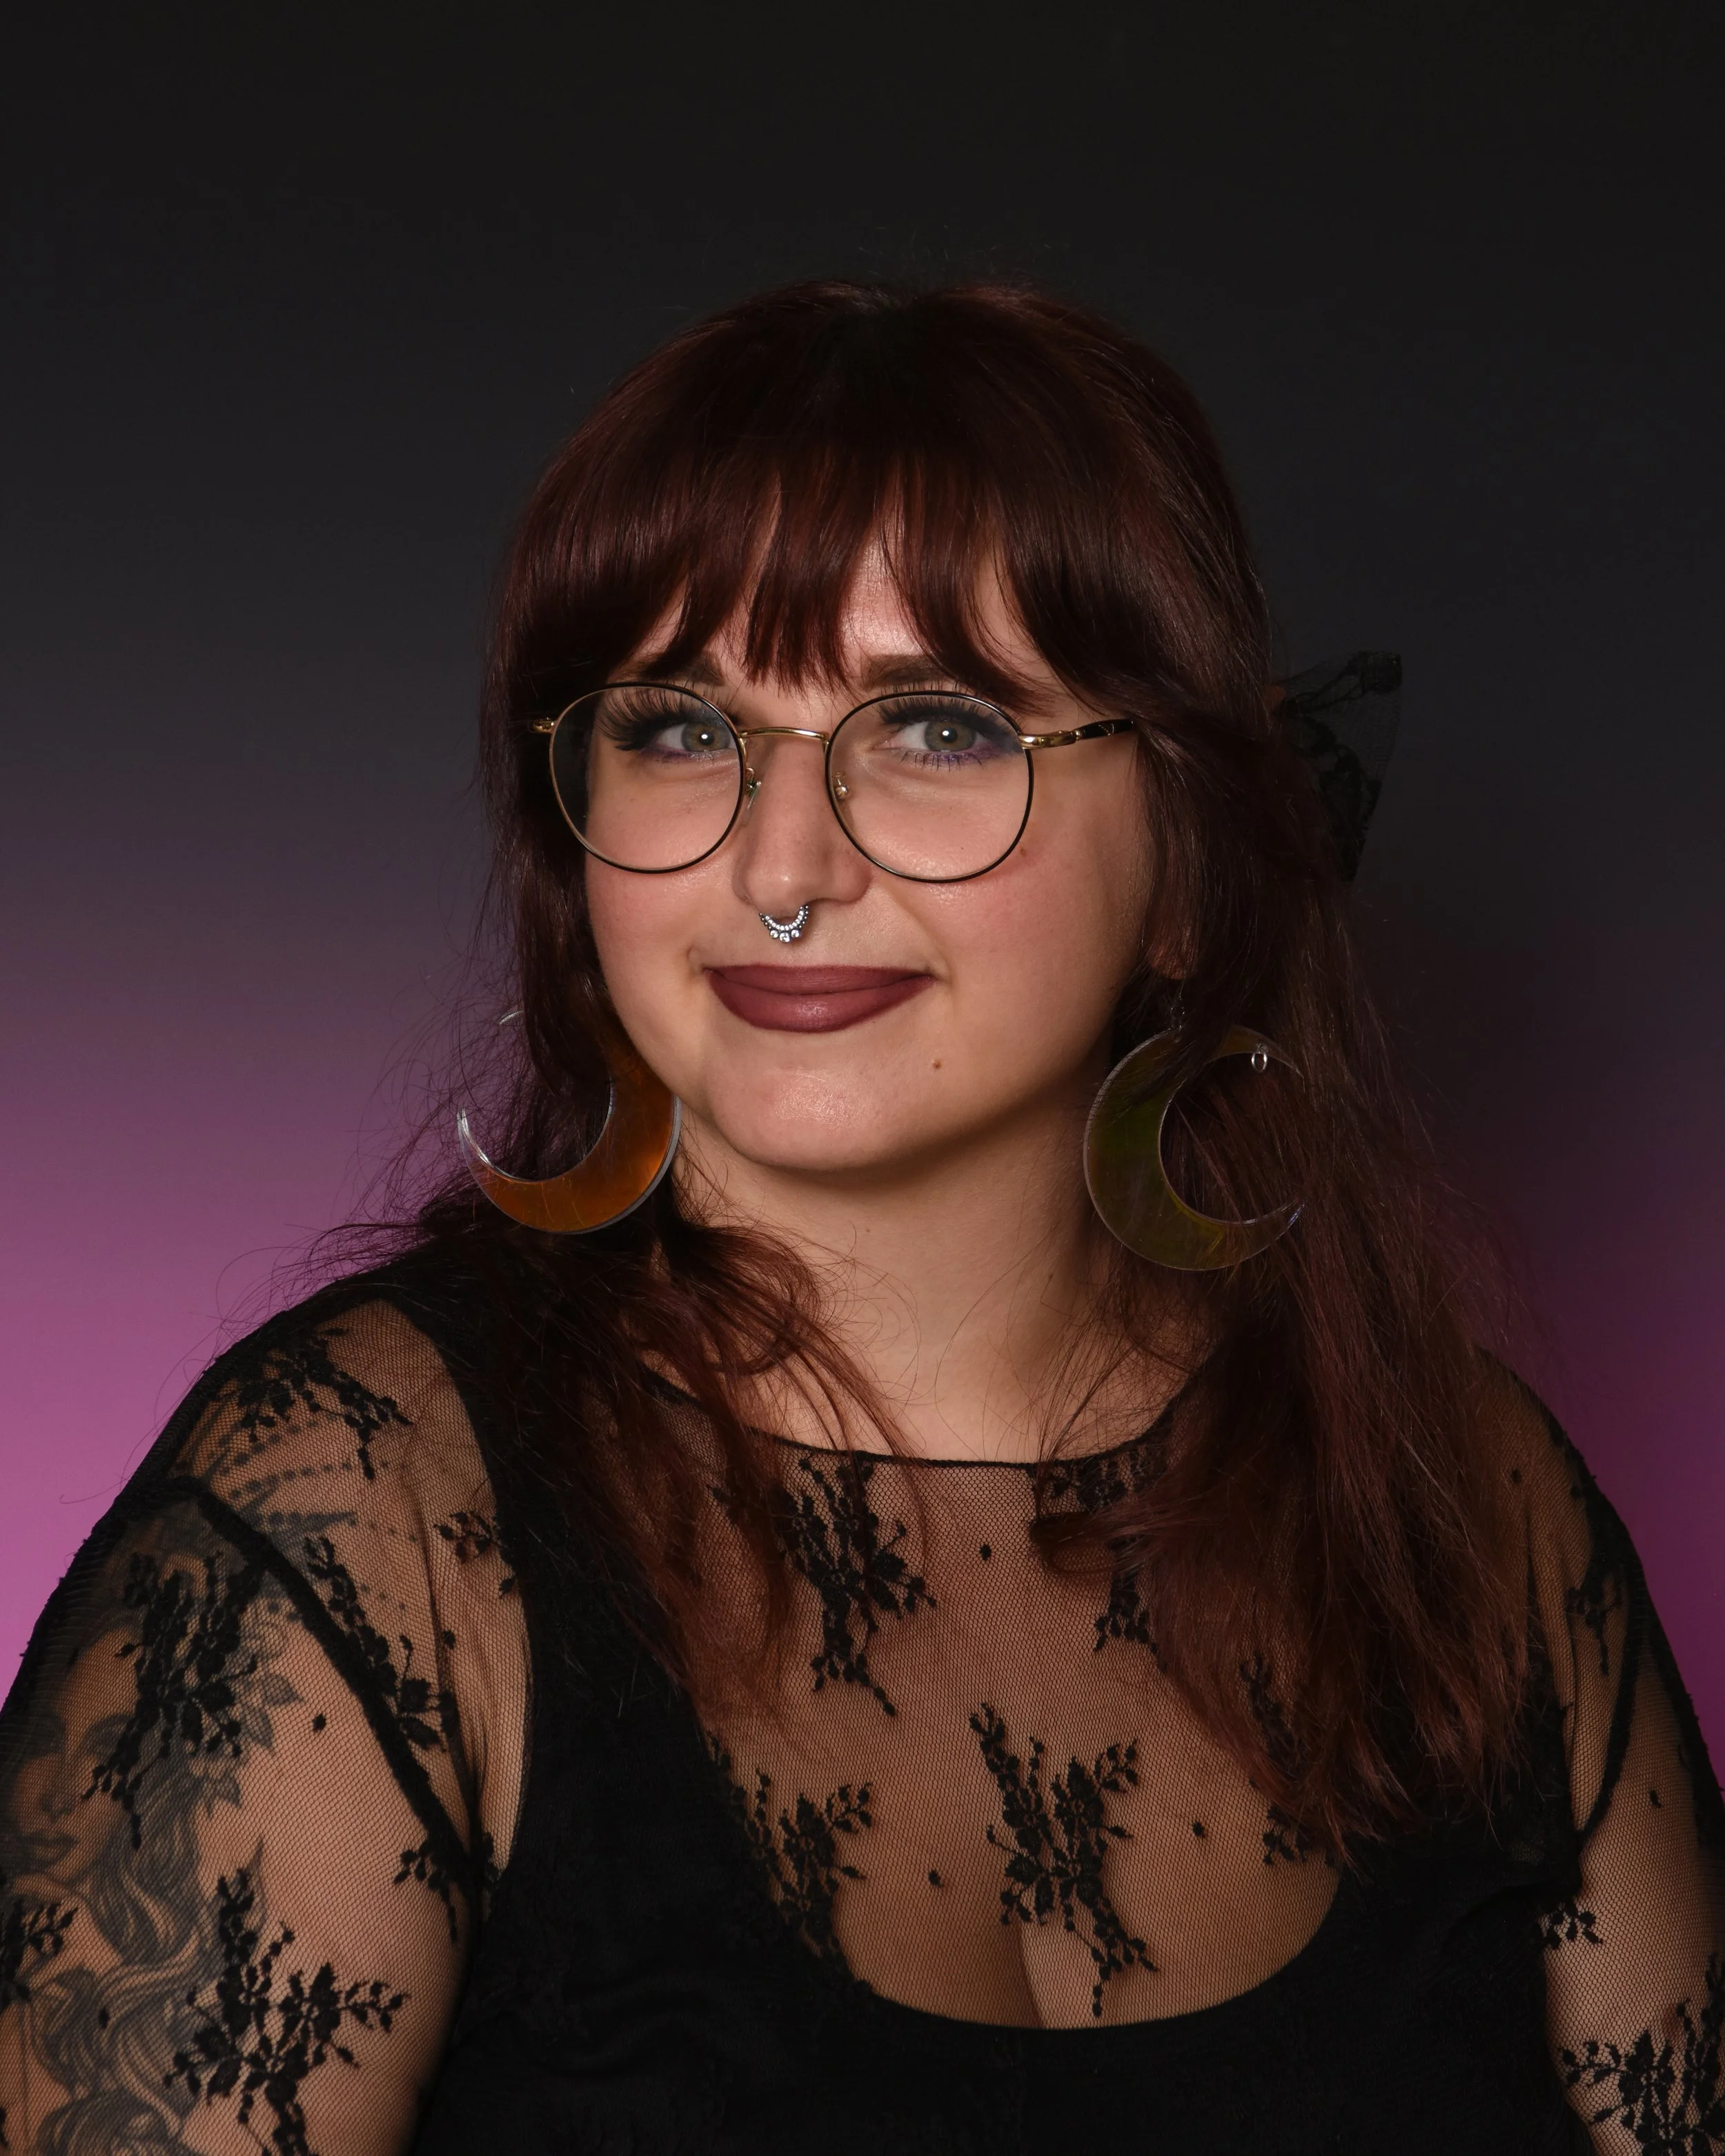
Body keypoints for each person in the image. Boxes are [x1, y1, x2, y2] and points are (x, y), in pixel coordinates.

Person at [1, 279, 1718, 2156]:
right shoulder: (356, 1532)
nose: (783, 863)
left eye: (938, 726)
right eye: (677, 726)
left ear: (1189, 867)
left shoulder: (1463, 1507)